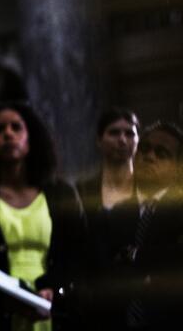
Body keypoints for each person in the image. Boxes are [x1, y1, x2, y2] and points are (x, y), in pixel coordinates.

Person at [0, 102, 85, 331]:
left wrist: (54, 288)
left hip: (55, 310)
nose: (8, 134)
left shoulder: (61, 193)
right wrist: (5, 301)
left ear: (31, 136)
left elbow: (77, 252)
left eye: (17, 127)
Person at [75, 108, 141, 328]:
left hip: (140, 298)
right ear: (99, 140)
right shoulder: (83, 190)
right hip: (96, 301)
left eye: (129, 133)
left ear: (138, 139)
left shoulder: (150, 190)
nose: (122, 140)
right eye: (114, 133)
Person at [115, 120, 183, 330]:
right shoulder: (115, 213)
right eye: (144, 149)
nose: (149, 156)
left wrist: (134, 256)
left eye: (161, 154)